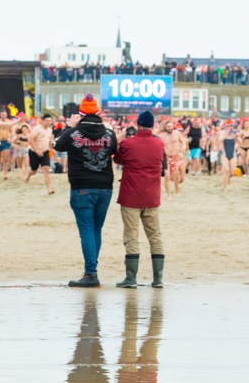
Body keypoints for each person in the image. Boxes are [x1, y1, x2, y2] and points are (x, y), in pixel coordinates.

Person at [53, 94, 117, 287]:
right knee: (96, 229)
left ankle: (91, 273)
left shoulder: (73, 133)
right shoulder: (109, 133)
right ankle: (91, 271)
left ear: (80, 114)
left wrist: (69, 126)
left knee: (87, 230)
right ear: (98, 113)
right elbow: (114, 150)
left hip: (82, 186)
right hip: (105, 186)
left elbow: (56, 145)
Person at [113, 111, 165, 288]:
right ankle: (157, 279)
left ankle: (131, 278)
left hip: (131, 195)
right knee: (155, 236)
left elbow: (118, 158)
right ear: (153, 125)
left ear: (138, 124)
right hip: (151, 195)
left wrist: (121, 139)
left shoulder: (128, 143)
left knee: (131, 235)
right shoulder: (159, 144)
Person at [23, 113, 55, 195]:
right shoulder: (37, 128)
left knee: (46, 169)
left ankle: (49, 189)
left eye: (50, 121)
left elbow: (48, 140)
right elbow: (30, 139)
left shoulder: (50, 130)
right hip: (34, 152)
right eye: (47, 121)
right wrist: (37, 150)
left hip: (45, 151)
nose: (48, 123)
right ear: (43, 121)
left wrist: (52, 148)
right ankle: (28, 175)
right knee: (34, 170)